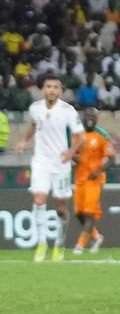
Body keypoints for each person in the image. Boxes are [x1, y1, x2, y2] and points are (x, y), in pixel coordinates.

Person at [14, 74, 83, 262]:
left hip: (60, 163)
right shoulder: (35, 108)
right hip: (41, 161)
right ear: (43, 89)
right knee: (39, 199)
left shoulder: (67, 110)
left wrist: (71, 151)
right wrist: (23, 141)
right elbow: (33, 125)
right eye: (49, 86)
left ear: (60, 91)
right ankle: (42, 243)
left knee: (60, 208)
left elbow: (81, 136)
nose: (52, 90)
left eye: (55, 87)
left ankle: (59, 244)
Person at [73, 108, 115, 254]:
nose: (90, 118)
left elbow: (112, 159)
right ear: (83, 118)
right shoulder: (77, 134)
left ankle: (80, 245)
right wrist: (74, 157)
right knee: (79, 214)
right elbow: (74, 153)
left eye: (93, 116)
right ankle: (97, 237)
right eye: (87, 116)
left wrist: (98, 171)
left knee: (89, 213)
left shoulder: (102, 136)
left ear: (97, 119)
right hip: (80, 179)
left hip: (95, 180)